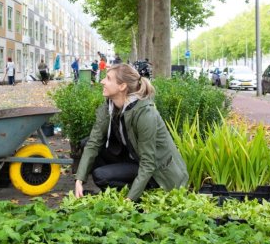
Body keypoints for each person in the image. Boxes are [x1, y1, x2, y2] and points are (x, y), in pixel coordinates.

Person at [74, 63, 189, 201]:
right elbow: (93, 143)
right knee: (86, 143)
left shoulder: (145, 113)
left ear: (122, 86)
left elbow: (148, 163)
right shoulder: (109, 107)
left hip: (157, 174)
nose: (102, 81)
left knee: (101, 175)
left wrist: (129, 200)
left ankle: (135, 198)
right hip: (133, 157)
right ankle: (117, 192)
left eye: (108, 78)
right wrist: (79, 180)